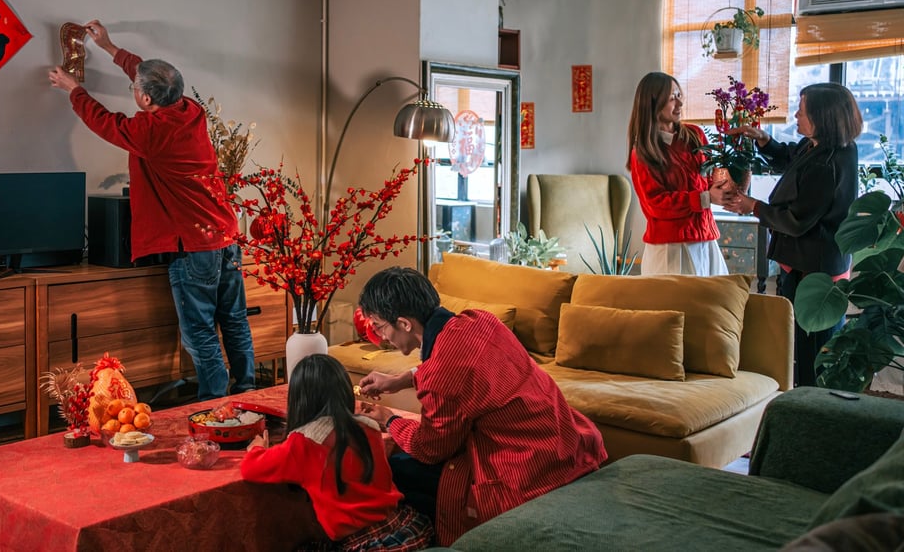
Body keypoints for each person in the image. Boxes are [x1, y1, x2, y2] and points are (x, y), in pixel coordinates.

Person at [47, 19, 254, 400]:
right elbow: (151, 74)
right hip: (225, 236)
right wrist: (110, 48)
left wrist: (74, 89)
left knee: (201, 334)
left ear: (145, 99)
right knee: (235, 321)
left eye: (135, 89)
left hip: (194, 248)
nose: (134, 91)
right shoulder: (190, 109)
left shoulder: (151, 133)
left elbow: (105, 123)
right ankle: (246, 392)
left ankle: (217, 407)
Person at [355, 267, 607, 546]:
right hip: (564, 440)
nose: (380, 337)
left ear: (404, 323)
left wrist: (389, 418)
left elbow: (431, 448)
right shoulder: (478, 321)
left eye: (379, 327)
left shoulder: (442, 374)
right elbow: (457, 366)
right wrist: (400, 381)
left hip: (527, 465)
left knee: (397, 467)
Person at [722, 82, 862, 387]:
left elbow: (797, 221)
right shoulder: (822, 146)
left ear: (823, 116)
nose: (796, 114)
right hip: (802, 266)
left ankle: (811, 413)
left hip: (814, 272)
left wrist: (753, 206)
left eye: (803, 109)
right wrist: (763, 139)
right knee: (798, 345)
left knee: (813, 352)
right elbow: (788, 157)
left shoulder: (829, 164)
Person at [241, 354, 433, 551]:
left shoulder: (304, 442)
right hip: (405, 526)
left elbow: (250, 468)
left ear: (299, 400)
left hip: (367, 545)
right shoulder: (370, 428)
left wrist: (257, 446)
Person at [627, 71, 732, 276]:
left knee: (714, 305)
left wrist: (726, 184)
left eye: (679, 95)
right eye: (672, 98)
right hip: (670, 250)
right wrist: (705, 198)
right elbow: (656, 204)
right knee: (674, 307)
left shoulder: (695, 135)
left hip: (706, 241)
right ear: (653, 103)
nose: (680, 103)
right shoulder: (643, 152)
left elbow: (710, 179)